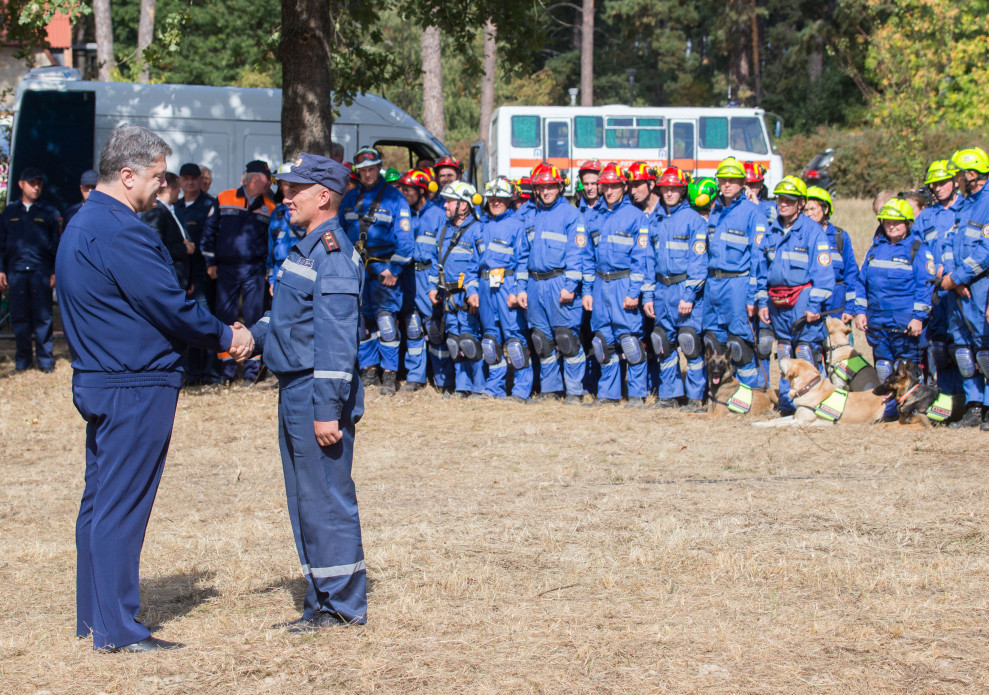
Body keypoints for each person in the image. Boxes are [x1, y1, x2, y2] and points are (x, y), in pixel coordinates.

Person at [57, 124, 253, 652]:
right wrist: (226, 336)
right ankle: (117, 629)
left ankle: (95, 618)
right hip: (132, 383)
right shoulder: (123, 230)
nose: (162, 189)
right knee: (121, 508)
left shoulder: (82, 222)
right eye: (157, 177)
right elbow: (170, 304)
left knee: (100, 504)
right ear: (126, 176)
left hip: (103, 379)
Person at [248, 153, 367, 632]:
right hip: (294, 388)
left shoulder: (332, 253)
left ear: (324, 196)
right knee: (306, 500)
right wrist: (248, 337)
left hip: (314, 394)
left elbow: (337, 344)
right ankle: (320, 600)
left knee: (326, 499)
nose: (285, 196)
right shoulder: (307, 247)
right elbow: (290, 321)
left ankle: (342, 607)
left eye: (295, 189)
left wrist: (327, 411)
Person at [756, 175, 835, 414]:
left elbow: (823, 273)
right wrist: (762, 301)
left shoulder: (812, 232)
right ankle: (788, 404)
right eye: (780, 199)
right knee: (784, 353)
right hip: (777, 302)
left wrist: (814, 305)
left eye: (789, 200)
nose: (783, 204)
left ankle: (812, 403)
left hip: (803, 300)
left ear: (800, 203)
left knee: (804, 351)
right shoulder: (771, 232)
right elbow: (761, 271)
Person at [340, 146, 414, 396]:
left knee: (386, 323)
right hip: (357, 270)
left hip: (384, 270)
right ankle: (369, 369)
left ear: (378, 168)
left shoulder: (395, 198)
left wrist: (393, 270)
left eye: (372, 169)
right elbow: (340, 234)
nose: (368, 174)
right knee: (362, 324)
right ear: (357, 172)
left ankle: (390, 373)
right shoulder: (349, 199)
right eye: (363, 170)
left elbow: (405, 241)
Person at [854, 197, 936, 420]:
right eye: (887, 221)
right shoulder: (875, 248)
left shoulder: (918, 250)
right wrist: (860, 312)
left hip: (904, 324)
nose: (891, 226)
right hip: (878, 322)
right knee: (882, 366)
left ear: (908, 223)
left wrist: (918, 318)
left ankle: (912, 411)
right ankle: (888, 411)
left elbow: (924, 287)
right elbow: (861, 283)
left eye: (897, 222)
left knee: (905, 370)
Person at [201, 160, 275, 385]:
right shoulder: (225, 197)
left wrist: (268, 269)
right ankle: (227, 372)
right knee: (225, 318)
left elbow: (271, 242)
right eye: (267, 179)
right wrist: (210, 262)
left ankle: (252, 372)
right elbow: (209, 232)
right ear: (255, 179)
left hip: (254, 270)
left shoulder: (269, 207)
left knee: (254, 317)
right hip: (226, 269)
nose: (270, 183)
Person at [584, 163, 651, 407]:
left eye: (614, 186)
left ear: (624, 186)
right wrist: (587, 291)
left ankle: (636, 395)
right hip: (601, 285)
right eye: (606, 186)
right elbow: (587, 258)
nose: (609, 191)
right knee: (603, 342)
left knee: (630, 342)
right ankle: (608, 394)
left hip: (624, 284)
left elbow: (641, 259)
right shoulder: (594, 217)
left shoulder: (636, 217)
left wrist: (634, 293)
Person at [642, 166, 708, 411]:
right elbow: (648, 261)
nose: (669, 193)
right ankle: (669, 395)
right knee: (662, 342)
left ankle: (695, 397)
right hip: (661, 291)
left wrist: (689, 295)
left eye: (675, 188)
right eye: (665, 188)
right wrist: (648, 295)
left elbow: (699, 262)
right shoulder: (655, 221)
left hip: (683, 290)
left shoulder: (694, 221)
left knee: (689, 342)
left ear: (683, 190)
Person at [525, 162, 591, 404]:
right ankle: (550, 390)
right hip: (535, 285)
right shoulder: (533, 215)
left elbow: (578, 252)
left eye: (551, 186)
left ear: (560, 187)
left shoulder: (572, 215)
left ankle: (574, 391)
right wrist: (522, 288)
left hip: (559, 282)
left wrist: (571, 284)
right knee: (542, 341)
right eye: (541, 187)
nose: (546, 191)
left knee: (566, 339)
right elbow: (523, 254)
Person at [703, 157, 768, 388]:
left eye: (733, 180)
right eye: (723, 180)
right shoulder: (715, 212)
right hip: (714, 285)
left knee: (740, 346)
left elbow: (757, 259)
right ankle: (722, 394)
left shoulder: (753, 213)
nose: (727, 184)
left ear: (743, 183)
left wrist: (752, 297)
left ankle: (751, 396)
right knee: (714, 343)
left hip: (737, 285)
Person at [908, 161, 966, 400]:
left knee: (966, 350)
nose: (938, 188)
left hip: (962, 288)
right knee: (939, 348)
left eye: (942, 183)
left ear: (954, 182)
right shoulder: (926, 217)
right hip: (936, 293)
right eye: (933, 185)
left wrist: (952, 271)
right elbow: (917, 250)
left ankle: (973, 401)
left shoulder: (967, 209)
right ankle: (945, 399)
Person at [941, 147, 989, 429]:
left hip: (980, 287)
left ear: (972, 174)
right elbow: (949, 241)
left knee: (985, 348)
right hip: (957, 290)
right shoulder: (965, 204)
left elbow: (986, 251)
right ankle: (973, 406)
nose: (956, 179)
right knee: (963, 349)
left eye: (959, 174)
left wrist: (958, 277)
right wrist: (950, 275)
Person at [473, 176, 533, 399]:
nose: (496, 202)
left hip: (507, 286)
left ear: (510, 200)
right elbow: (472, 263)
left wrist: (517, 290)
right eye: (492, 198)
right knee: (490, 341)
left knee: (515, 342)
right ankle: (494, 388)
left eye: (501, 198)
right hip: (485, 286)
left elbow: (523, 262)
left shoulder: (517, 226)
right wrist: (472, 291)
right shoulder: (481, 226)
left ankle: (521, 390)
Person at [0, 167, 62, 372]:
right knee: (19, 317)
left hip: (40, 272)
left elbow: (56, 245)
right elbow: (1, 244)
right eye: (32, 183)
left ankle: (45, 361)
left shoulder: (49, 213)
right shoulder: (9, 213)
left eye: (39, 183)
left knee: (43, 316)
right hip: (16, 272)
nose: (36, 187)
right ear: (21, 184)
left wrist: (54, 271)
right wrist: (1, 270)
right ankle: (23, 360)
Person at [397, 168, 448, 391]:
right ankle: (415, 377)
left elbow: (442, 252)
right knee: (412, 327)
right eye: (402, 189)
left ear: (422, 190)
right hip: (407, 275)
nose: (404, 193)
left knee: (434, 329)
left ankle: (443, 378)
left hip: (427, 276)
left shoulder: (437, 215)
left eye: (408, 190)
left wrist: (435, 283)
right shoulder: (402, 212)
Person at [432, 181, 485, 397]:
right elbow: (437, 261)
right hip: (448, 296)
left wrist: (475, 293)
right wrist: (431, 286)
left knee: (469, 340)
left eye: (449, 201)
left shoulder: (477, 229)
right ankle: (462, 386)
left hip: (466, 297)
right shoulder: (444, 229)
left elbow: (483, 265)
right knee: (454, 342)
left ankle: (479, 387)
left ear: (464, 205)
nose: (445, 206)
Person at [175, 162, 221, 385]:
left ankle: (212, 372)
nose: (191, 182)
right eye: (186, 178)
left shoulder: (210, 205)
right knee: (187, 325)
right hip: (182, 278)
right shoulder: (176, 207)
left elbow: (212, 241)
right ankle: (192, 373)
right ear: (181, 182)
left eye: (195, 178)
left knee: (208, 323)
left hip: (205, 277)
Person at [140, 171, 193, 291]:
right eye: (178, 188)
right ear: (170, 189)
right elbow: (155, 245)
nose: (180, 192)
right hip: (166, 280)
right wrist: (185, 248)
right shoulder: (155, 211)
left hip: (179, 280)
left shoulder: (169, 210)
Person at [267, 162, 307, 294]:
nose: (289, 187)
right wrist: (272, 278)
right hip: (280, 270)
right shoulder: (277, 213)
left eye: (292, 183)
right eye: (285, 183)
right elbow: (271, 247)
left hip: (302, 271)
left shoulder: (307, 210)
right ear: (279, 185)